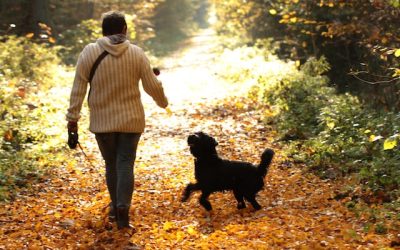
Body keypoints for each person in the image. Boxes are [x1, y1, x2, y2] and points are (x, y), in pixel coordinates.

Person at [66, 11, 168, 229]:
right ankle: (123, 207)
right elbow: (152, 85)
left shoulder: (89, 52)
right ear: (124, 30)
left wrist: (72, 118)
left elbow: (78, 88)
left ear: (102, 31)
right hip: (131, 121)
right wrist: (163, 102)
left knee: (111, 164)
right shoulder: (137, 53)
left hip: (102, 122)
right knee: (125, 164)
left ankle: (115, 206)